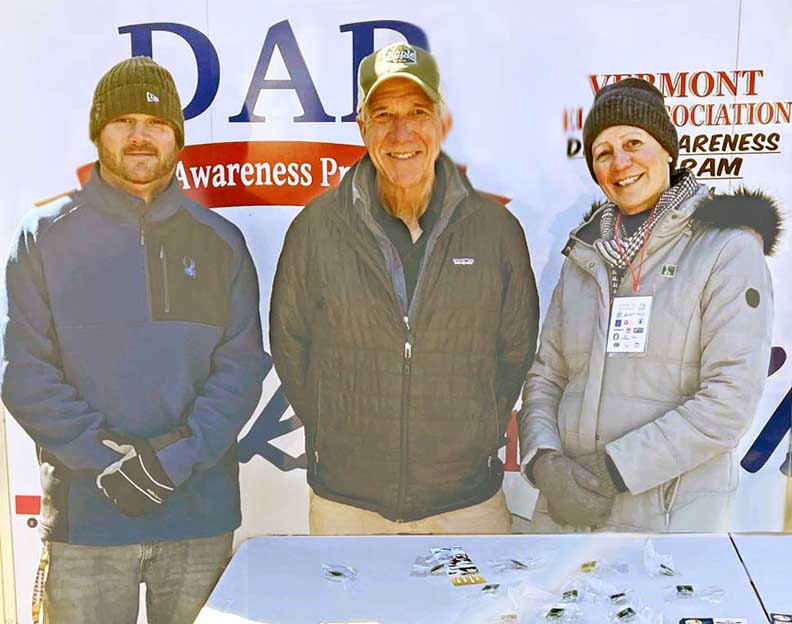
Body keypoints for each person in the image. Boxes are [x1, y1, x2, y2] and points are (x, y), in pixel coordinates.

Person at [0, 56, 269, 623]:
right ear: (99, 132)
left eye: (156, 123)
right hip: (87, 525)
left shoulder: (220, 242)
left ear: (178, 137)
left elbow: (241, 369)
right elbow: (24, 371)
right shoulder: (43, 237)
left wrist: (172, 461)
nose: (141, 136)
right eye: (123, 121)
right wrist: (104, 461)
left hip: (198, 521)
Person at [270, 42, 539, 535]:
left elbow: (516, 351)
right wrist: (339, 433)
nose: (401, 132)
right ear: (361, 126)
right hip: (346, 506)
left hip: (466, 504)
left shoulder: (496, 230)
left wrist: (472, 431)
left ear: (441, 121)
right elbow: (290, 346)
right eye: (384, 114)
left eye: (417, 112)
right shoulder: (315, 228)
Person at [518, 78, 779, 532]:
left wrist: (613, 470)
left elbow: (729, 402)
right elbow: (546, 376)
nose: (621, 162)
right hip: (566, 516)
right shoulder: (584, 257)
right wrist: (544, 463)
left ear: (667, 151)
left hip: (669, 523)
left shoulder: (727, 250)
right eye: (603, 152)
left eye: (634, 142)